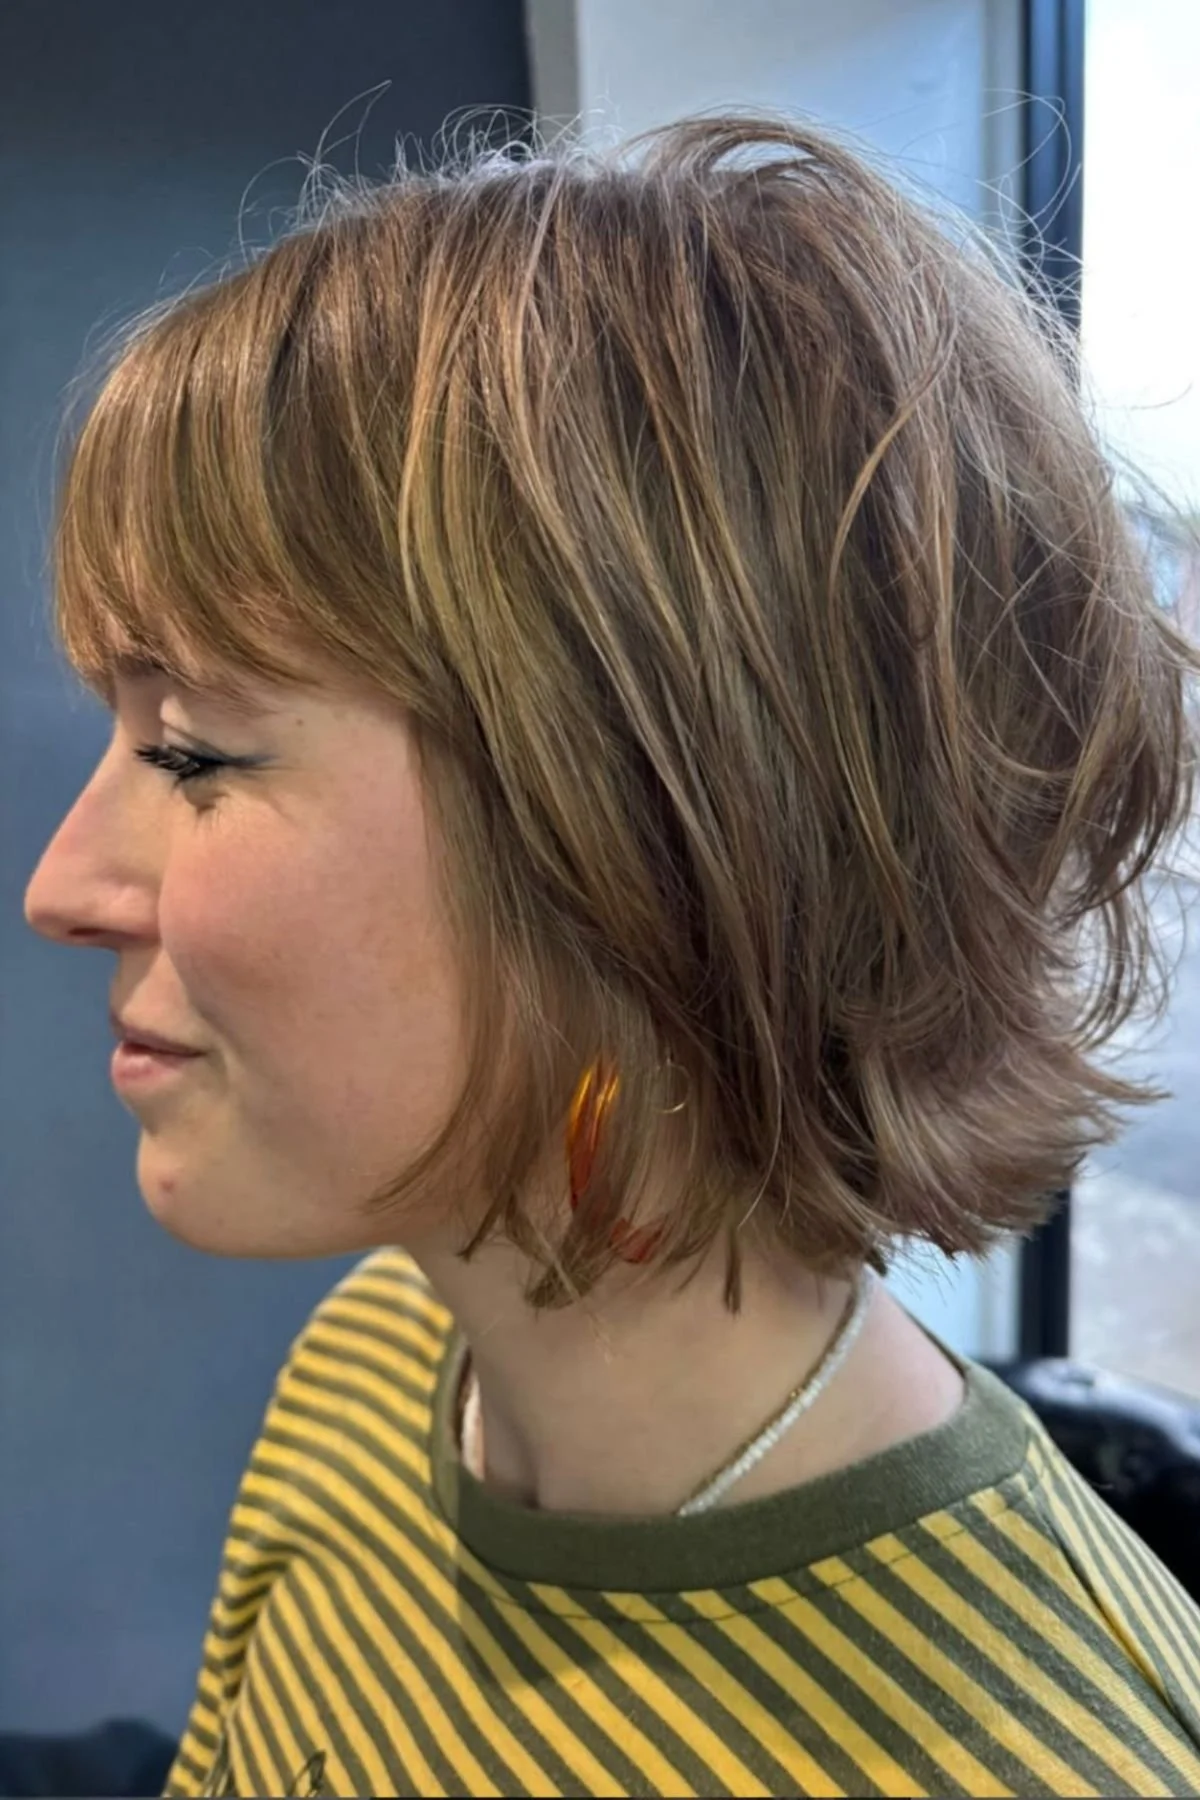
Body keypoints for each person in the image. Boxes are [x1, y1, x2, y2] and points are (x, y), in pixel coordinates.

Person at [23, 107, 1200, 1799]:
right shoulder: (380, 1368)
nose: (63, 886)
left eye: (194, 750)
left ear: (646, 846)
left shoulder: (1037, 1756)